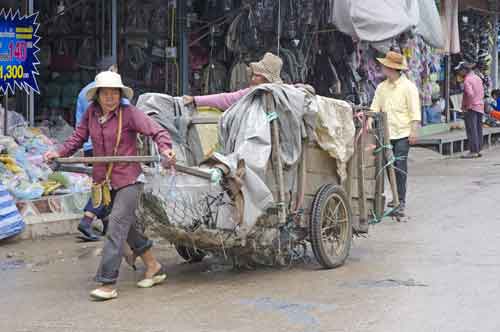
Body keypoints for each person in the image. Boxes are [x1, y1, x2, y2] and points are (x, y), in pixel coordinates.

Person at [44, 71, 176, 301]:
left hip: (128, 180)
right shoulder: (90, 114)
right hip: (103, 181)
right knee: (126, 226)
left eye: (114, 92)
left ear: (120, 94)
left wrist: (166, 149)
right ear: (97, 95)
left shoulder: (130, 114)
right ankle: (153, 265)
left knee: (115, 227)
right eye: (105, 93)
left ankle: (108, 283)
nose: (110, 97)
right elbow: (77, 138)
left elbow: (157, 131)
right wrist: (58, 152)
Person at [75, 57, 130, 242]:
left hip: (89, 146)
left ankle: (107, 224)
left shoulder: (85, 92)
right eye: (116, 70)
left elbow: (80, 127)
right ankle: (87, 219)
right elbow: (128, 116)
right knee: (106, 184)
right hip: (108, 148)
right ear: (111, 70)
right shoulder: (113, 95)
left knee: (104, 184)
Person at [370, 51, 421, 217]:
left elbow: (414, 111)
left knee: (399, 168)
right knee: (388, 167)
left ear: (392, 68)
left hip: (402, 133)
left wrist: (413, 131)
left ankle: (401, 201)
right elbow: (374, 108)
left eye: (385, 66)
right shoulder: (381, 88)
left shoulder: (408, 87)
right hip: (385, 134)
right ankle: (395, 198)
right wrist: (369, 125)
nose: (382, 68)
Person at [183, 52, 283, 110]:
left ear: (267, 79)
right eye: (254, 75)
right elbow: (226, 99)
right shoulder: (251, 93)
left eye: (258, 76)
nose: (252, 78)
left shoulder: (283, 95)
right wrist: (196, 100)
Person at [455, 61, 484, 159]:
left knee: (471, 130)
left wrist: (466, 106)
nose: (459, 72)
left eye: (460, 70)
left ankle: (473, 151)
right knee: (478, 129)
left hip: (471, 107)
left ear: (464, 70)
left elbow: (469, 94)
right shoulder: (477, 78)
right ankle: (478, 149)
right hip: (480, 106)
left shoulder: (467, 80)